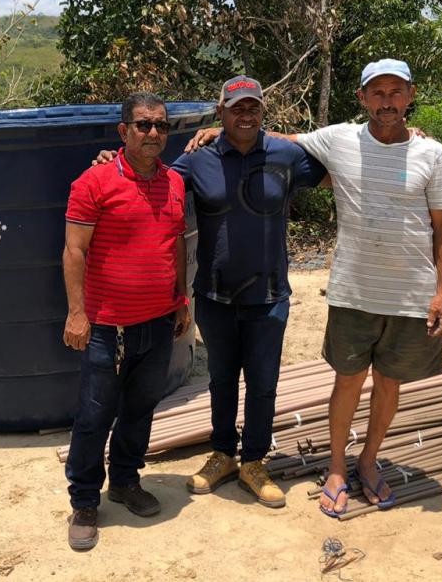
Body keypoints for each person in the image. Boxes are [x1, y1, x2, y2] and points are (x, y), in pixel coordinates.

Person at [188, 58, 442, 517]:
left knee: (376, 384)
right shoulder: (334, 139)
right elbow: (278, 144)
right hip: (338, 290)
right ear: (362, 98)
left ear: (410, 95)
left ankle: (342, 462)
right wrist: (211, 133)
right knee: (322, 381)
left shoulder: (431, 153)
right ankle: (302, 464)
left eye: (396, 92)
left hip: (399, 293)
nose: (387, 101)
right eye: (378, 92)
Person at [96, 75, 327, 509]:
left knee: (263, 384)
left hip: (269, 295)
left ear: (262, 113)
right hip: (216, 297)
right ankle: (222, 454)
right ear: (220, 113)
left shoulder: (286, 155)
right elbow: (146, 175)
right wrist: (111, 160)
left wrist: (400, 138)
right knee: (220, 380)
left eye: (253, 107)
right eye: (236, 108)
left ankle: (255, 461)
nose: (246, 115)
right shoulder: (196, 160)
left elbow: (341, 168)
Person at [62, 91, 192, 551]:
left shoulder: (174, 183)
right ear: (124, 131)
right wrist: (77, 313)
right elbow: (74, 249)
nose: (154, 133)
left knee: (140, 410)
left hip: (157, 323)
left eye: (161, 125)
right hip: (105, 327)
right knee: (95, 416)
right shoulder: (94, 182)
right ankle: (84, 501)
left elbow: (174, 244)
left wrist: (181, 299)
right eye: (143, 124)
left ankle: (125, 482)